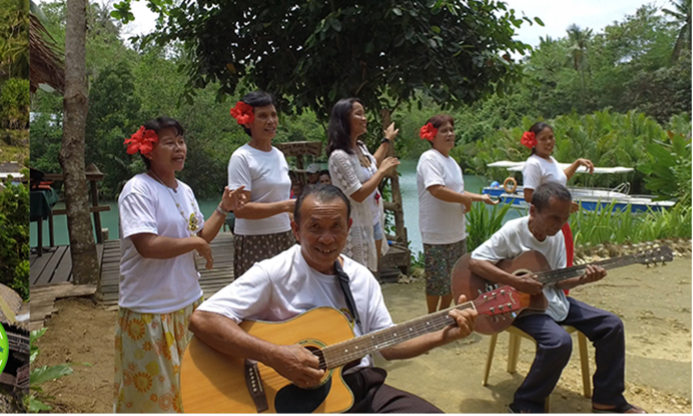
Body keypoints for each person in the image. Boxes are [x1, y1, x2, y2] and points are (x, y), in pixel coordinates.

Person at [188, 185, 478, 414]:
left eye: (336, 227)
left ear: (349, 226)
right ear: (296, 229)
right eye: (315, 227)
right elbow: (203, 319)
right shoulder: (273, 273)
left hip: (359, 386)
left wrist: (444, 334)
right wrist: (275, 356)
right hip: (295, 396)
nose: (326, 238)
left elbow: (389, 346)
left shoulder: (361, 278)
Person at [469, 182, 646, 415]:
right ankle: (526, 405)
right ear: (533, 211)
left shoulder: (558, 234)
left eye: (564, 219)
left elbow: (559, 280)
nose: (560, 224)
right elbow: (475, 261)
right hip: (519, 306)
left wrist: (583, 279)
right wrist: (515, 282)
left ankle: (608, 399)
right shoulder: (513, 230)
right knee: (559, 342)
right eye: (554, 218)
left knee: (611, 325)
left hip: (551, 299)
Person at [115, 117, 245, 414]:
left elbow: (200, 236)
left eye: (181, 141)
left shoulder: (183, 190)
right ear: (148, 150)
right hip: (150, 311)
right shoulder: (137, 190)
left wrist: (224, 208)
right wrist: (196, 244)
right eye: (169, 142)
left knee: (193, 388)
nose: (179, 148)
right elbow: (146, 246)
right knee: (154, 400)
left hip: (189, 304)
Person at [417, 115, 498, 314]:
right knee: (436, 281)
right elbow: (436, 189)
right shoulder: (429, 158)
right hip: (436, 231)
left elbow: (458, 192)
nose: (450, 134)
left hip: (456, 231)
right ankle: (431, 317)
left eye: (451, 130)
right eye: (444, 131)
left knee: (453, 278)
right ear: (432, 136)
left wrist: (481, 198)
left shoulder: (452, 162)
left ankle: (444, 314)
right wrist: (464, 200)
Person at [227, 91, 296, 277]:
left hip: (284, 235)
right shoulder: (242, 157)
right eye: (263, 116)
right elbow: (240, 210)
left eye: (273, 115)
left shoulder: (279, 155)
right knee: (258, 302)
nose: (271, 121)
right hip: (254, 240)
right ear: (248, 121)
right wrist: (286, 206)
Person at [327, 98, 399, 272]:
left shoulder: (360, 147)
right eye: (358, 114)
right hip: (355, 224)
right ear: (344, 119)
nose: (364, 118)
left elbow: (372, 162)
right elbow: (358, 194)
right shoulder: (339, 157)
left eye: (364, 113)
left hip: (373, 220)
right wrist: (381, 172)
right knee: (357, 273)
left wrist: (387, 140)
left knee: (373, 272)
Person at [521, 122, 594, 269]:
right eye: (543, 139)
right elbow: (529, 195)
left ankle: (561, 291)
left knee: (564, 258)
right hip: (545, 221)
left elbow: (561, 178)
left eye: (551, 137)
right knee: (550, 262)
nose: (548, 142)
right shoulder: (533, 164)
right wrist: (559, 205)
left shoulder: (550, 160)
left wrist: (577, 163)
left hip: (558, 218)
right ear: (533, 142)